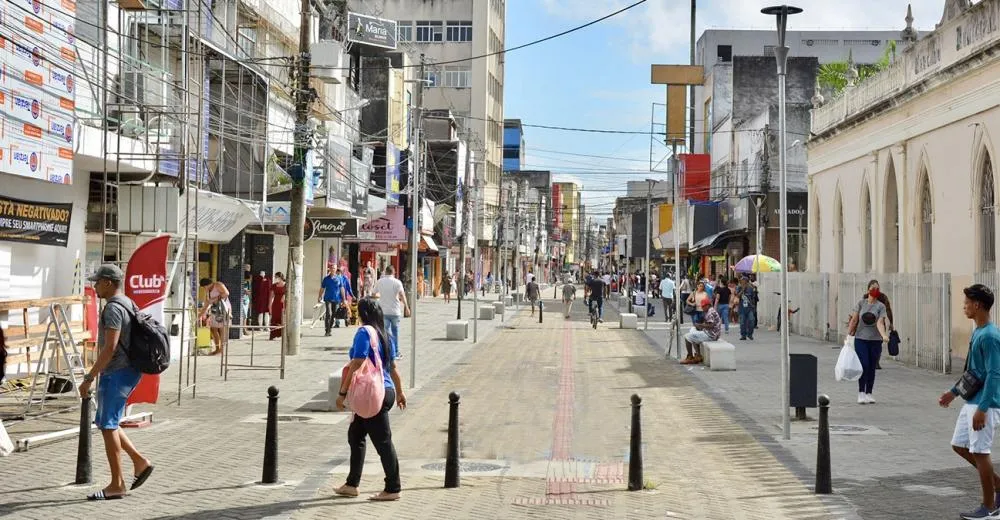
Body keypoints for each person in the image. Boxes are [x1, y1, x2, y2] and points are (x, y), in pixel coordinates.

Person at [79, 264, 154, 500]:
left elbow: (110, 348)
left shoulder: (112, 308)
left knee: (108, 426)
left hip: (116, 372)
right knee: (106, 421)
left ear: (109, 283)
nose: (95, 286)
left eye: (98, 282)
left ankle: (116, 484)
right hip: (128, 370)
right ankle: (139, 462)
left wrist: (89, 377)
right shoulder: (128, 302)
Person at [335, 298, 406, 501]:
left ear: (363, 314)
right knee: (356, 435)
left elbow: (357, 362)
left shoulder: (364, 332)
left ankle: (393, 487)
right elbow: (392, 368)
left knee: (383, 442)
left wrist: (342, 393)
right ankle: (351, 484)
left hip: (373, 394)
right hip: (386, 390)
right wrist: (400, 393)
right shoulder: (386, 335)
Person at [940, 284, 1000, 520]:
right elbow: (974, 372)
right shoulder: (978, 331)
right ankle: (997, 485)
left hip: (984, 405)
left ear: (977, 305)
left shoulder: (991, 336)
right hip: (972, 402)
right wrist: (953, 393)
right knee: (959, 445)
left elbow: (994, 374)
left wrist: (983, 409)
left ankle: (989, 508)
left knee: (981, 451)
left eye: (966, 302)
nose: (963, 306)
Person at [847, 279, 889, 404]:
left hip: (875, 341)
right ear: (868, 290)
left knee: (871, 366)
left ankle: (869, 393)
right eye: (873, 288)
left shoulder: (881, 306)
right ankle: (861, 392)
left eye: (877, 288)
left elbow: (880, 323)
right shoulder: (861, 303)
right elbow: (854, 320)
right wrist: (848, 336)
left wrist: (883, 335)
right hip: (861, 339)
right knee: (864, 364)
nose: (875, 290)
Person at [374, 265, 409, 357]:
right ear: (394, 272)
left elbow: (374, 294)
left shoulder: (380, 281)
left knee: (384, 332)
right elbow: (402, 295)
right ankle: (396, 352)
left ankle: (385, 351)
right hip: (395, 311)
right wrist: (407, 307)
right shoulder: (397, 282)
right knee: (395, 333)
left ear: (385, 272)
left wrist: (379, 299)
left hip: (384, 311)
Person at [199, 278, 230, 356]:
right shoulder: (208, 290)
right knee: (213, 328)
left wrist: (214, 299)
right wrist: (201, 313)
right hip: (214, 310)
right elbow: (207, 302)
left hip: (223, 309)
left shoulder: (218, 285)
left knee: (222, 329)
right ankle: (217, 348)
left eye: (204, 287)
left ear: (207, 284)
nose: (204, 288)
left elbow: (226, 293)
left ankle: (222, 349)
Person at [319, 266, 347, 335]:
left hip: (336, 299)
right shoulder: (326, 279)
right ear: (330, 269)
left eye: (334, 268)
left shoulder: (339, 278)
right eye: (331, 268)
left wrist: (344, 299)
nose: (333, 270)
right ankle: (327, 330)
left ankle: (329, 328)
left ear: (335, 269)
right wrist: (319, 296)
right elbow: (322, 288)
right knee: (329, 313)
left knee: (333, 315)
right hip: (328, 299)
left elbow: (342, 288)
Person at [269, 272, 286, 340]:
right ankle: (273, 335)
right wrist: (269, 306)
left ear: (280, 277)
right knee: (274, 319)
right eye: (275, 277)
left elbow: (288, 294)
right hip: (275, 304)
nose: (275, 279)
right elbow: (271, 296)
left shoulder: (286, 285)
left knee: (282, 319)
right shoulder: (274, 285)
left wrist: (284, 296)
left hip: (283, 304)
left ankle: (282, 335)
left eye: (276, 277)